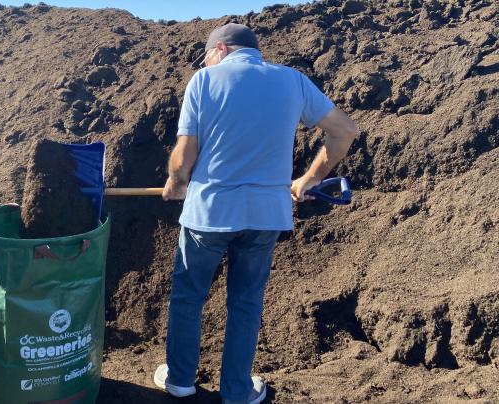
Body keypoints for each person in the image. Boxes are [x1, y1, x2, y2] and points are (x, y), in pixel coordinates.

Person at [154, 23, 360, 404]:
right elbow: (345, 130)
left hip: (209, 213)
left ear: (219, 50)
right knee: (246, 302)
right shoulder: (293, 81)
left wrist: (176, 182)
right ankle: (236, 392)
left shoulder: (204, 81)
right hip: (266, 216)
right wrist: (311, 178)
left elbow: (185, 155)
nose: (206, 62)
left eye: (207, 56)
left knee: (188, 296)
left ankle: (180, 381)